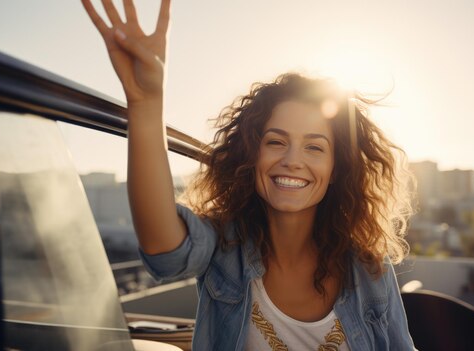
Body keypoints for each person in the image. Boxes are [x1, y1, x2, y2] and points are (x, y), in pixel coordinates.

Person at [82, 0, 416, 350]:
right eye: (276, 142)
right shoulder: (224, 246)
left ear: (336, 170)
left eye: (314, 147)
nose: (292, 160)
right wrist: (146, 102)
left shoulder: (368, 268)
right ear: (252, 154)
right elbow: (164, 252)